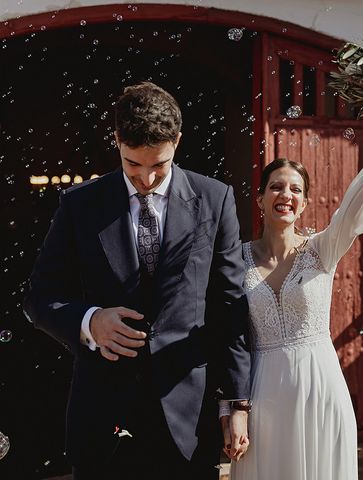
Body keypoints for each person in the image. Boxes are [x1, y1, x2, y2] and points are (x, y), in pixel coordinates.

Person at [23, 82, 251, 479]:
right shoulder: (80, 204)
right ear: (116, 141)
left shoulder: (215, 199)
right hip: (103, 417)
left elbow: (229, 307)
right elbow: (39, 298)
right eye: (133, 164)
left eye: (159, 165)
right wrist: (88, 321)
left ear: (178, 141)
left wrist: (236, 403)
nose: (146, 178)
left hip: (187, 418)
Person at [221, 115, 363, 479]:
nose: (286, 195)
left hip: (319, 389)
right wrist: (231, 407)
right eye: (276, 187)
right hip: (262, 394)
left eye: (295, 190)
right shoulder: (236, 260)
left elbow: (355, 208)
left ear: (306, 203)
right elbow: (228, 337)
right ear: (260, 197)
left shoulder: (322, 250)